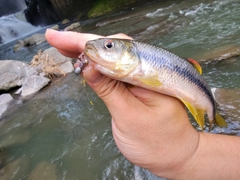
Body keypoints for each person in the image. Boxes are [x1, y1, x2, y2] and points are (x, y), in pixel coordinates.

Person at [45, 29, 240, 179]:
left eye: (109, 46)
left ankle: (213, 117)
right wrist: (190, 154)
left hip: (196, 88)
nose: (103, 48)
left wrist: (189, 155)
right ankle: (215, 121)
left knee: (208, 113)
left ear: (132, 54)